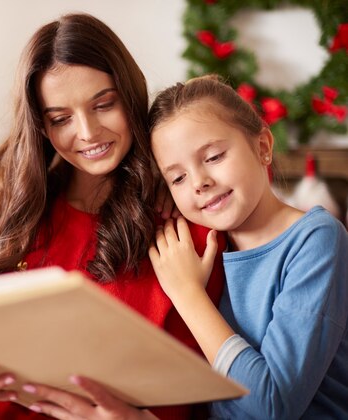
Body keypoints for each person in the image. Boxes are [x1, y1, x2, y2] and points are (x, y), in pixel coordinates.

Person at [0, 13, 225, 420]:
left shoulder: (181, 236)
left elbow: (202, 396)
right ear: (40, 126)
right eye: (61, 119)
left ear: (130, 96)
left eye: (104, 104)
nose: (88, 132)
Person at [147, 75, 348, 419]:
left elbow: (273, 406)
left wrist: (187, 295)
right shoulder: (202, 249)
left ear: (263, 147)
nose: (199, 182)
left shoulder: (316, 238)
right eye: (177, 177)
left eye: (213, 156)